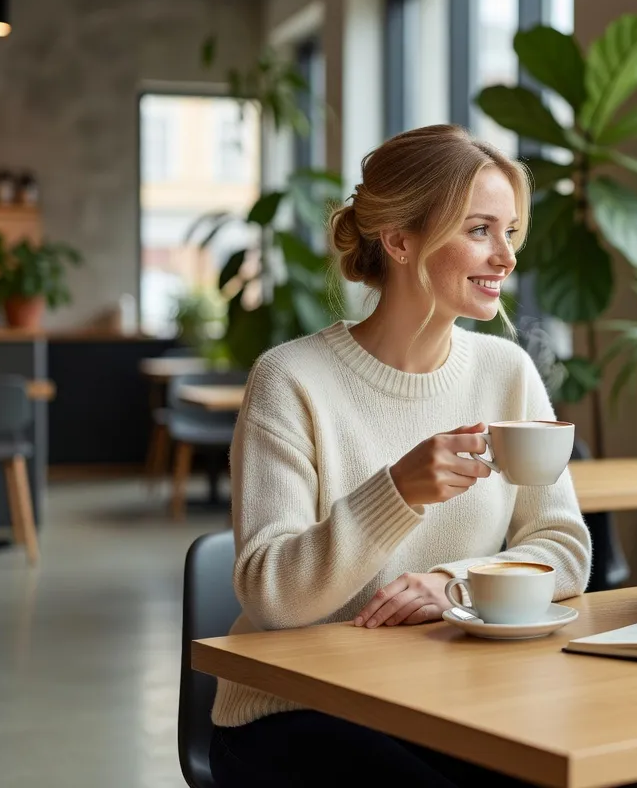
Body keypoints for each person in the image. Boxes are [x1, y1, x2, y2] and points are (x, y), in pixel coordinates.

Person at [209, 125, 592, 787]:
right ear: (400, 239)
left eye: (510, 233)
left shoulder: (508, 371)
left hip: (454, 697)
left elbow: (563, 547)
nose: (505, 258)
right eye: (479, 230)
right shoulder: (291, 379)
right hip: (298, 709)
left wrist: (455, 584)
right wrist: (399, 492)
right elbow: (271, 595)